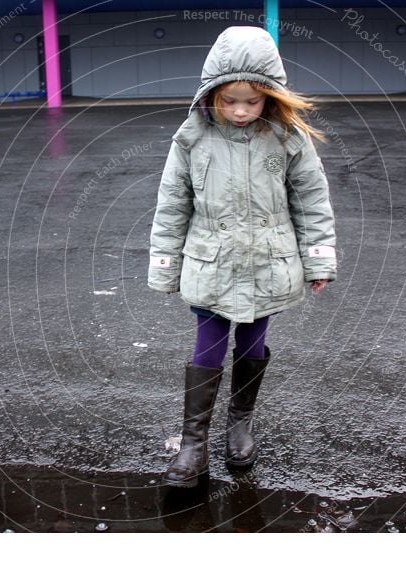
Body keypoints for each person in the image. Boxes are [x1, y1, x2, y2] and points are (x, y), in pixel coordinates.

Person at [148, 26, 337, 488]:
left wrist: (318, 260)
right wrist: (166, 263)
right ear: (211, 94)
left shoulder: (288, 137)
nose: (238, 110)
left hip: (267, 262)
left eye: (251, 101)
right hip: (211, 261)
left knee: (252, 341)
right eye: (229, 99)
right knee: (208, 341)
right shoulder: (191, 137)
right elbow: (173, 202)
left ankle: (240, 425)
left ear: (269, 98)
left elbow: (311, 198)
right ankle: (194, 445)